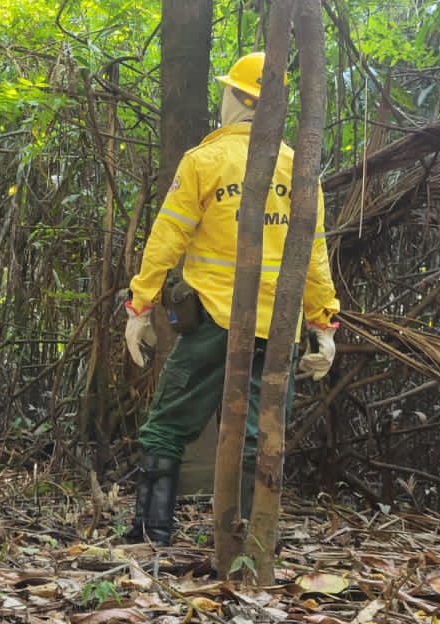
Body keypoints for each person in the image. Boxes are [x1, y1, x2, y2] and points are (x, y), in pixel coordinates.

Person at [121, 51, 341, 546]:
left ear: (237, 96)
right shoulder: (298, 167)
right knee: (258, 436)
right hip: (275, 326)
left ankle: (151, 534)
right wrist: (323, 325)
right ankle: (247, 543)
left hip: (213, 323)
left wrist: (138, 308)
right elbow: (315, 253)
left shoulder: (205, 161)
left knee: (166, 427)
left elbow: (166, 239)